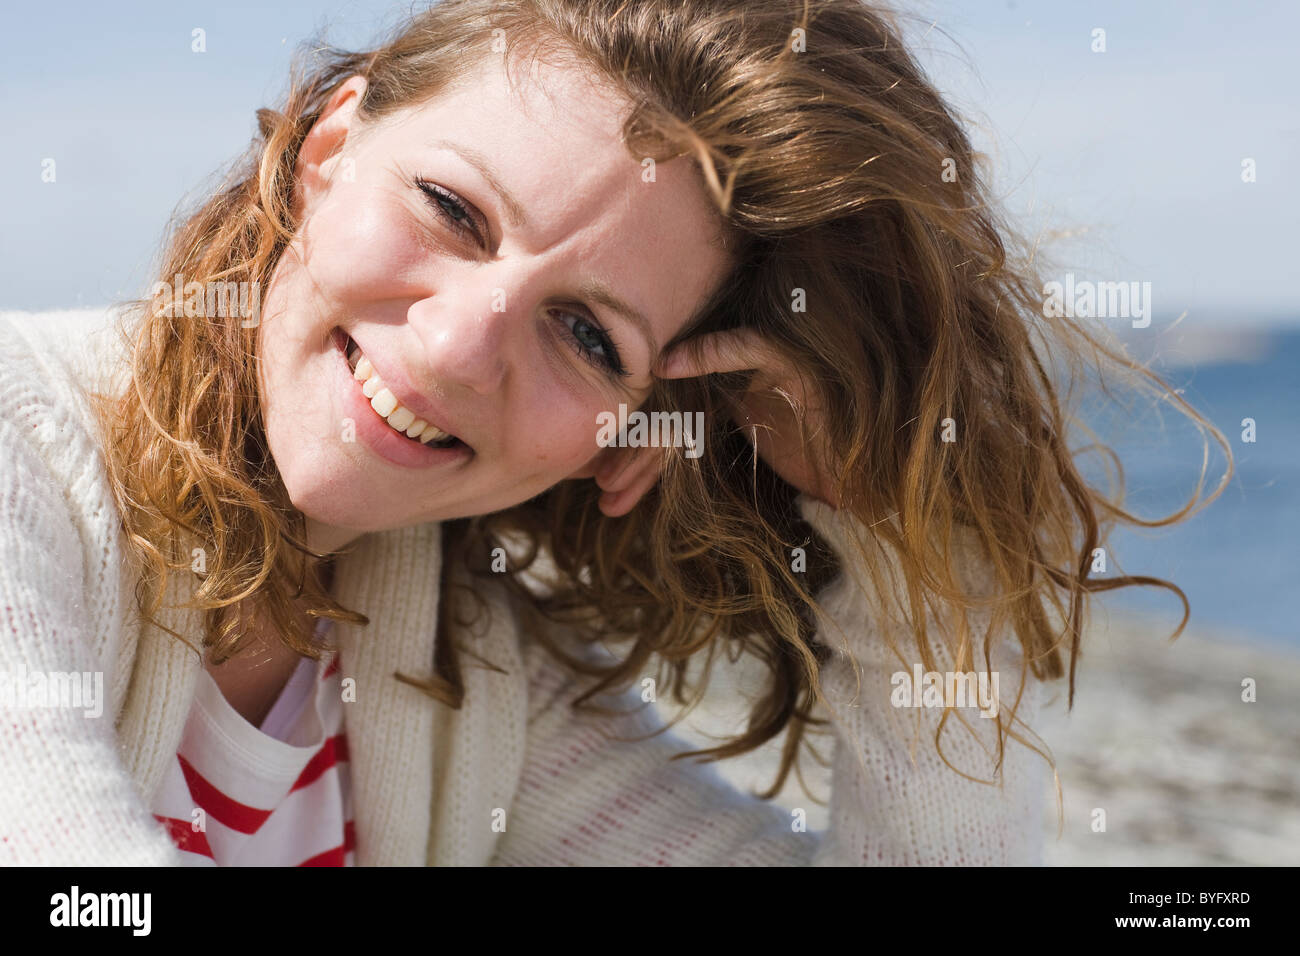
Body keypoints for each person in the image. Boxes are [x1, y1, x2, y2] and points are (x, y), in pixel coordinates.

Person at [0, 0, 1225, 865]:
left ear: (631, 433)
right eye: (451, 209)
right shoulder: (20, 442)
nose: (455, 347)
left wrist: (893, 536)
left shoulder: (458, 668)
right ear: (327, 150)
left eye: (587, 335)